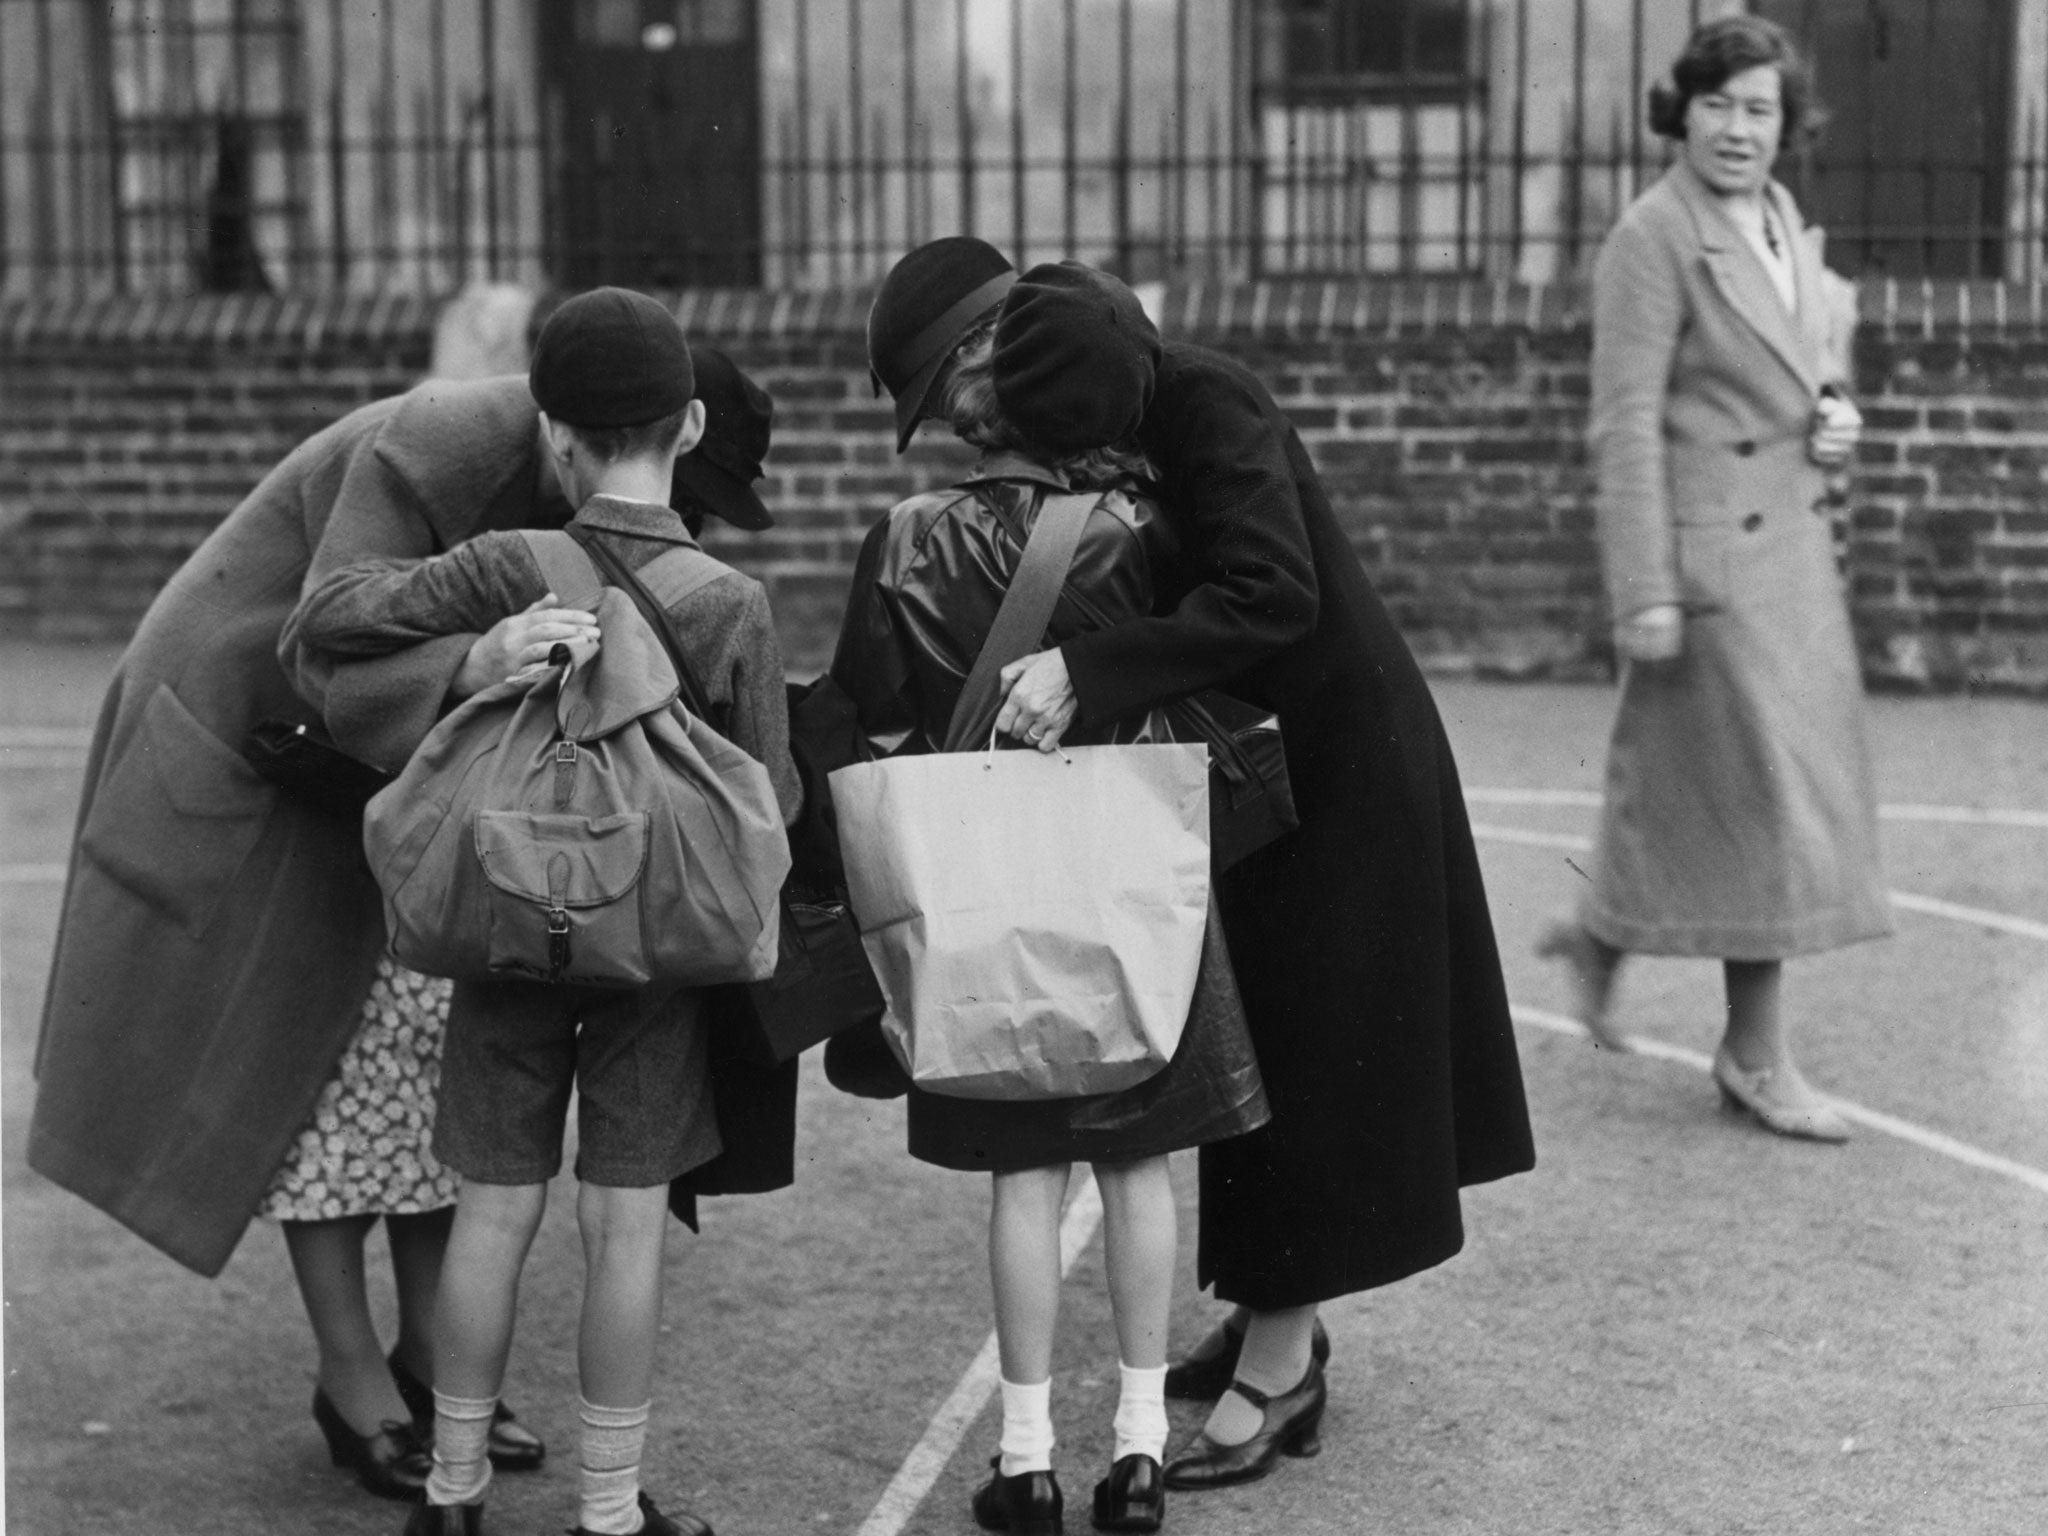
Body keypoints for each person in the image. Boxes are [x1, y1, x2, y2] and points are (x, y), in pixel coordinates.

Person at [29, 315, 779, 1499]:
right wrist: (472, 667)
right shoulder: (445, 447)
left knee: (421, 1071)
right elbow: (317, 643)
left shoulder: (549, 497)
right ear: (655, 431)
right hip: (261, 744)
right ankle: (351, 1382)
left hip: (395, 772)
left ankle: (437, 1361)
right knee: (315, 1082)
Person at [865, 245, 1535, 1492]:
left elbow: (1268, 596)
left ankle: (1282, 1369)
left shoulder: (1201, 398)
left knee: (1304, 1047)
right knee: (1246, 1040)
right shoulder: (1102, 402)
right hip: (1238, 764)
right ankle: (1269, 1307)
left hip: (1334, 754)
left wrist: (1088, 675)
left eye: (945, 389)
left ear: (979, 349)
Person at [289, 287, 799, 1536]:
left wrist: (482, 653)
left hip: (504, 934)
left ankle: (452, 1493)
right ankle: (611, 1513)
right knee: (621, 1228)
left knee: (493, 1212)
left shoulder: (513, 563)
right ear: (687, 426)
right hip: (654, 961)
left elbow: (325, 617)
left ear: (554, 437)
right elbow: (768, 800)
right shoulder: (728, 604)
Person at [834, 289, 1269, 1536]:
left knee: (1020, 1180)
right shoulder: (1133, 528)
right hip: (1123, 887)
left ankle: (1023, 1459)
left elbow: (873, 712)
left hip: (981, 898)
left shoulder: (903, 537)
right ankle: (1136, 1451)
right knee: (1137, 1168)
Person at [1536, 14, 1890, 1142]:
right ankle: (1753, 1055)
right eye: (1718, 105)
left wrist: (1832, 414)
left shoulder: (1780, 215)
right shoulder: (1649, 236)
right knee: (1767, 808)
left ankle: (1599, 935)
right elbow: (1622, 422)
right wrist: (1641, 583)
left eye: (1759, 110)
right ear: (1679, 111)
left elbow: (1808, 357)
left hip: (1787, 546)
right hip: (1708, 563)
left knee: (1703, 790)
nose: (1739, 130)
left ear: (1786, 126)